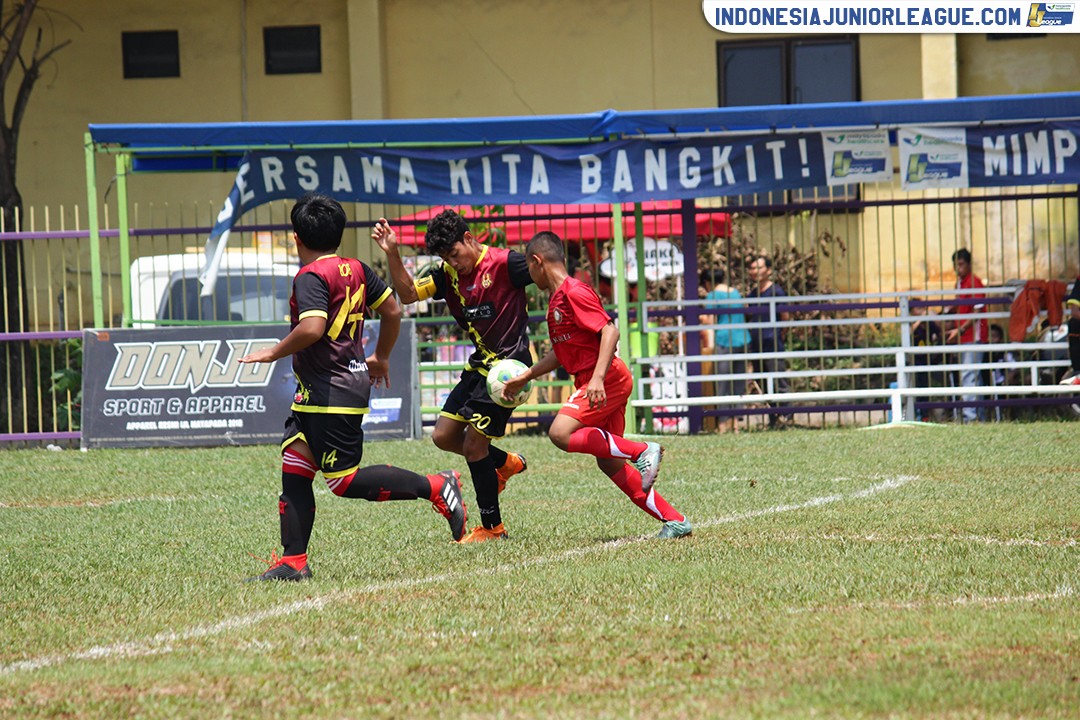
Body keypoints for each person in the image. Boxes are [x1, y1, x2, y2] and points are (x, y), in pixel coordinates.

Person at [239, 193, 467, 582]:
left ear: (296, 237)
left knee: (344, 482)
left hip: (332, 390)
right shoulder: (357, 267)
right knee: (295, 464)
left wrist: (273, 352)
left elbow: (312, 328)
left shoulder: (311, 275)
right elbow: (392, 309)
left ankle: (437, 485)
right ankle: (293, 562)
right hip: (322, 389)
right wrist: (379, 356)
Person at [501, 231, 691, 539]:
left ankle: (643, 450)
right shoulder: (557, 300)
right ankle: (675, 521)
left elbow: (610, 331)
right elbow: (561, 354)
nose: (528, 274)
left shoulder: (574, 291)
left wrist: (599, 379)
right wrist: (527, 375)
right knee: (609, 463)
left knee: (560, 433)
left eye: (528, 266)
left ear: (537, 261)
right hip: (596, 380)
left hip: (605, 379)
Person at [372, 209, 530, 543]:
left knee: (474, 446)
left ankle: (492, 528)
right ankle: (506, 464)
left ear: (470, 239)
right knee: (443, 436)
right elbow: (410, 294)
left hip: (508, 371)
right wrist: (393, 253)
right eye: (445, 257)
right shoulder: (446, 274)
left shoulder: (506, 264)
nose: (452, 262)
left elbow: (549, 273)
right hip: (480, 366)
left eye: (455, 254)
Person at [701, 269, 750, 432]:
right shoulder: (735, 293)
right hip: (743, 339)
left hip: (724, 340)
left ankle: (722, 423)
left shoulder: (713, 295)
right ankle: (737, 423)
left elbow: (709, 321)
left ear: (708, 283)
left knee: (723, 384)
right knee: (739, 383)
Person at [746, 254, 792, 428]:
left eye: (758, 267)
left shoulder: (776, 291)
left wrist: (778, 334)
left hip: (772, 343)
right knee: (764, 383)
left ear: (769, 270)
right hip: (756, 344)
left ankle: (786, 417)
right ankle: (774, 419)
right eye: (752, 268)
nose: (754, 271)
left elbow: (786, 317)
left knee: (779, 381)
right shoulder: (752, 294)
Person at [944, 248, 988, 422]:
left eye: (961, 264)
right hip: (963, 338)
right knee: (973, 378)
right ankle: (980, 417)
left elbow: (977, 312)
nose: (958, 268)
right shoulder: (960, 284)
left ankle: (971, 418)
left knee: (969, 376)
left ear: (968, 264)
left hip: (973, 337)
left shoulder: (974, 283)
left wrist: (960, 330)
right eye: (955, 265)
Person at [909, 300, 943, 421]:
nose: (922, 311)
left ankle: (929, 413)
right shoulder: (910, 323)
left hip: (930, 359)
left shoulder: (929, 324)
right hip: (915, 361)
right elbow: (908, 333)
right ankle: (920, 414)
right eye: (918, 309)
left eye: (923, 308)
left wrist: (933, 317)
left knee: (930, 386)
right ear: (911, 312)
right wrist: (920, 320)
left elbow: (940, 332)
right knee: (918, 386)